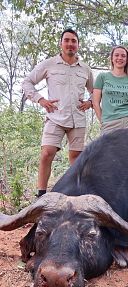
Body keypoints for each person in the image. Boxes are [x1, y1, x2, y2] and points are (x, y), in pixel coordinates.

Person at [22, 28, 94, 197]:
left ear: (78, 45)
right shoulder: (49, 64)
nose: (70, 44)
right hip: (55, 116)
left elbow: (95, 90)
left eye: (73, 41)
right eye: (67, 40)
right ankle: (41, 195)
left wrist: (90, 102)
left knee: (76, 158)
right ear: (61, 43)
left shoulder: (85, 68)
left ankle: (76, 195)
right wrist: (40, 99)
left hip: (77, 118)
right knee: (47, 153)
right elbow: (27, 82)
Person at [93, 46, 128, 135]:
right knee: (109, 149)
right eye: (116, 55)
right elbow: (95, 103)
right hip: (109, 123)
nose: (119, 58)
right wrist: (102, 121)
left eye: (123, 56)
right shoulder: (102, 77)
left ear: (126, 60)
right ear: (112, 58)